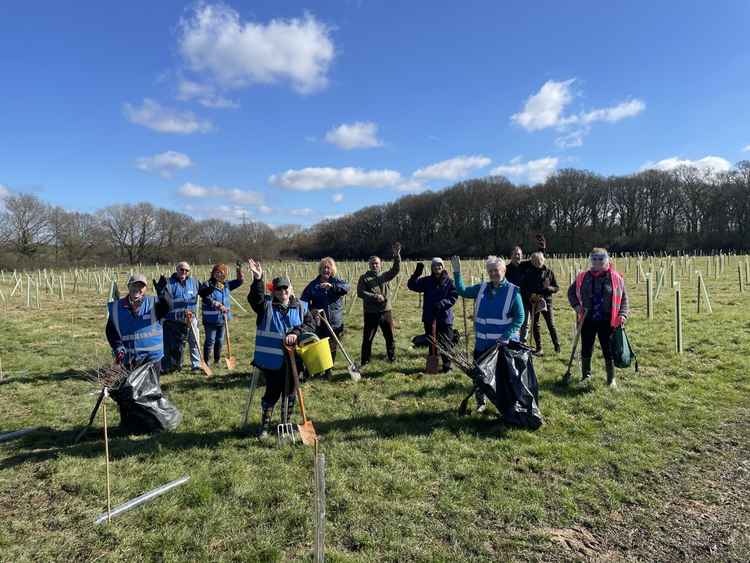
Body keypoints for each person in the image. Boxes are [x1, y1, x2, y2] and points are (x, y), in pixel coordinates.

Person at [247, 259, 318, 439]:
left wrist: (296, 331)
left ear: (290, 289)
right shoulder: (266, 307)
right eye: (279, 289)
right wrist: (258, 279)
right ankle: (264, 427)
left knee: (291, 393)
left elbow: (311, 324)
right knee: (272, 393)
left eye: (286, 288)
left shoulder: (301, 306)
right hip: (272, 362)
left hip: (295, 360)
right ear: (274, 291)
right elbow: (255, 299)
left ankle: (285, 424)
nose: (283, 292)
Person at [452, 255, 525, 412]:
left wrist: (506, 335)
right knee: (480, 377)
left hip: (501, 346)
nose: (493, 274)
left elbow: (520, 317)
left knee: (503, 377)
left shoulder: (513, 291)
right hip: (482, 344)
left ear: (503, 271)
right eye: (490, 271)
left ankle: (506, 404)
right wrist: (457, 273)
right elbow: (462, 291)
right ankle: (481, 402)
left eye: (496, 270)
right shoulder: (482, 288)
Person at [567, 247, 630, 388]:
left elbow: (624, 299)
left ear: (607, 260)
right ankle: (586, 376)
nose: (597, 261)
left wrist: (623, 314)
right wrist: (577, 307)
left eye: (601, 259)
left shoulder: (616, 278)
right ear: (591, 260)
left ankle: (611, 378)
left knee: (608, 349)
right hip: (587, 319)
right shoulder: (583, 277)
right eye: (594, 259)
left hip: (608, 320)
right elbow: (571, 293)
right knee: (586, 347)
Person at [106, 273, 170, 370]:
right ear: (128, 286)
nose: (137, 288)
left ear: (145, 289)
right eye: (134, 285)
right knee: (129, 385)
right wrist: (117, 346)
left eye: (141, 286)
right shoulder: (116, 307)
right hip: (128, 358)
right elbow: (111, 331)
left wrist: (164, 294)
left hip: (152, 358)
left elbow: (167, 307)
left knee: (151, 385)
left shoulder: (154, 304)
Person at [300, 257, 350, 379]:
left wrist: (332, 287)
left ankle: (328, 371)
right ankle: (316, 369)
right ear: (320, 270)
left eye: (328, 268)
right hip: (318, 321)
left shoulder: (337, 281)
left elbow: (346, 288)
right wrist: (311, 310)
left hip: (334, 321)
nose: (325, 270)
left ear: (332, 269)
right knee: (318, 345)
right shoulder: (314, 285)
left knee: (332, 346)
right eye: (323, 268)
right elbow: (304, 300)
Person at [407, 257, 458, 372]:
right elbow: (411, 286)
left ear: (443, 267)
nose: (437, 267)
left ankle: (447, 366)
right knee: (432, 342)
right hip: (430, 317)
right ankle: (433, 366)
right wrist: (416, 274)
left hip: (445, 317)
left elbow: (454, 296)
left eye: (439, 265)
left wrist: (442, 304)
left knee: (446, 343)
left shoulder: (449, 282)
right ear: (431, 268)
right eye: (435, 265)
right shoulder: (426, 281)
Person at [357, 242, 401, 365]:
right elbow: (360, 292)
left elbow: (396, 270)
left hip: (386, 311)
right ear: (369, 265)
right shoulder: (364, 278)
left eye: (376, 263)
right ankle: (365, 361)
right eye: (372, 263)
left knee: (390, 336)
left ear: (381, 264)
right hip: (370, 312)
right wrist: (375, 297)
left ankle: (392, 358)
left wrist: (397, 256)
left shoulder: (385, 276)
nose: (374, 265)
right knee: (368, 338)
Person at [198, 263, 244, 365]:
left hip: (223, 318)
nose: (219, 275)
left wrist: (239, 270)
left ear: (225, 274)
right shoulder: (207, 284)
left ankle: (217, 360)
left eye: (221, 273)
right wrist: (217, 304)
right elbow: (206, 298)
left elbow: (240, 281)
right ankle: (206, 362)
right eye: (217, 272)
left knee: (219, 340)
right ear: (213, 273)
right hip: (210, 319)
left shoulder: (226, 285)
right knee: (210, 340)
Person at [161, 261, 202, 373]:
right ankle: (176, 365)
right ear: (177, 269)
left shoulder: (194, 282)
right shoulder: (169, 283)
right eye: (181, 269)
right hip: (175, 319)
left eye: (186, 270)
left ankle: (196, 365)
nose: (184, 272)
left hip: (191, 317)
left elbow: (204, 292)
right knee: (178, 345)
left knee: (194, 342)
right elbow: (165, 301)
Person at [522, 252, 561, 356]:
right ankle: (539, 348)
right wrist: (530, 295)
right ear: (532, 262)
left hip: (547, 302)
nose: (537, 262)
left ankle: (557, 346)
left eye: (539, 260)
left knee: (551, 324)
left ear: (543, 260)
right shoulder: (528, 273)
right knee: (535, 325)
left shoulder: (549, 272)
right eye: (534, 261)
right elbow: (524, 288)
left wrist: (548, 288)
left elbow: (556, 288)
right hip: (534, 301)